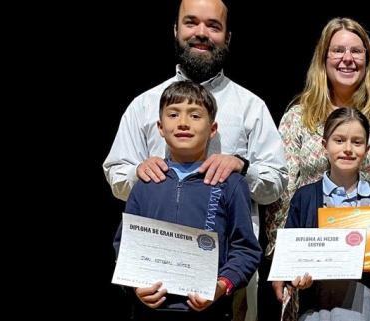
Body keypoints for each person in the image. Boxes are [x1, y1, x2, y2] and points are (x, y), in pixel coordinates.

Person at [102, 1, 288, 320]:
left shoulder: (251, 107)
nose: (201, 33)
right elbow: (117, 177)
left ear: (227, 36)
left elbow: (276, 185)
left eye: (213, 26)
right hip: (154, 286)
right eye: (191, 23)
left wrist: (242, 166)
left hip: (227, 286)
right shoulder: (143, 105)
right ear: (176, 30)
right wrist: (138, 172)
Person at [264, 17, 370, 321]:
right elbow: (283, 195)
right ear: (323, 59)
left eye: (356, 52)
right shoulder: (298, 117)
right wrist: (282, 260)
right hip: (314, 272)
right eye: (337, 51)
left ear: (367, 60)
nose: (347, 59)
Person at [112, 80, 261, 321]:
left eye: (195, 115)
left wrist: (222, 285)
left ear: (212, 129)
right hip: (148, 312)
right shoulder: (146, 182)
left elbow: (245, 249)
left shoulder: (230, 183)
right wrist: (134, 288)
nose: (183, 123)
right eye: (173, 114)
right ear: (160, 127)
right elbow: (125, 246)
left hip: (210, 311)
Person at [273, 108, 370, 321]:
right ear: (324, 145)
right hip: (316, 306)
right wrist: (296, 277)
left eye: (357, 142)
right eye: (339, 140)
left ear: (367, 149)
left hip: (366, 303)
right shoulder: (305, 197)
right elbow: (292, 255)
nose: (348, 149)